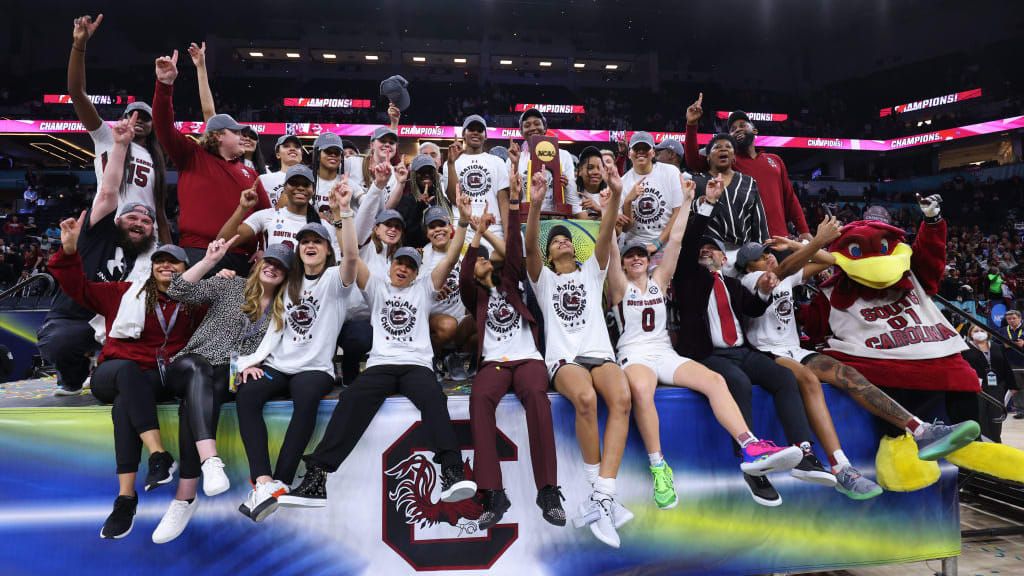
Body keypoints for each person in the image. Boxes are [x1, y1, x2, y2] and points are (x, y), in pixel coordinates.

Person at [608, 174, 803, 509]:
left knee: (714, 380)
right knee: (641, 390)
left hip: (664, 352)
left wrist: (688, 202)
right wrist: (612, 203)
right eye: (631, 256)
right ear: (624, 262)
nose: (637, 258)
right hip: (634, 354)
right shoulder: (617, 285)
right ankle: (659, 466)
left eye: (641, 254)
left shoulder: (660, 278)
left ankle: (750, 444)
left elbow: (679, 239)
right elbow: (610, 245)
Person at [280, 181, 476, 508]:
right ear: (391, 264)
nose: (403, 268)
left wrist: (465, 223)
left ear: (417, 272)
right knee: (352, 401)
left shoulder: (426, 287)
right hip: (381, 364)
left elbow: (452, 256)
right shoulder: (376, 286)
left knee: (434, 400)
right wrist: (344, 213)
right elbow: (351, 255)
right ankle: (317, 477)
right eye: (400, 262)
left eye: (411, 265)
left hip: (416, 365)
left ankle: (452, 473)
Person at [671, 177, 834, 507]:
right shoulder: (688, 277)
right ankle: (752, 467)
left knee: (785, 379)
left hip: (741, 350)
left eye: (712, 248)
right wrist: (707, 204)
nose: (706, 251)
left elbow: (752, 308)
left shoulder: (731, 284)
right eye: (702, 248)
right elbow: (689, 246)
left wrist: (763, 290)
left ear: (723, 257)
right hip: (708, 354)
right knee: (739, 384)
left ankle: (804, 452)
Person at [50, 213, 200, 539]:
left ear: (186, 270)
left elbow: (237, 307)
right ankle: (158, 454)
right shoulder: (122, 293)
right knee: (128, 375)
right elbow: (77, 287)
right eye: (160, 260)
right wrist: (71, 251)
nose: (166, 266)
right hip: (113, 372)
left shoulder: (192, 303)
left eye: (175, 262)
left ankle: (125, 499)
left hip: (155, 381)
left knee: (125, 406)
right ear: (151, 267)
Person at [152, 241, 292, 543]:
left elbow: (279, 350)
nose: (272, 267)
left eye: (280, 266)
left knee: (200, 399)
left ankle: (185, 497)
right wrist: (208, 262)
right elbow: (176, 291)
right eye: (269, 261)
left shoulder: (282, 311)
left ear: (286, 276)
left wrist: (254, 364)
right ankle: (210, 462)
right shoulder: (231, 285)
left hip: (226, 377)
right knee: (199, 370)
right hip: (188, 363)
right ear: (258, 263)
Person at [526, 156, 631, 548]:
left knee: (621, 398)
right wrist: (536, 204)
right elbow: (530, 247)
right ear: (550, 255)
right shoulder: (543, 280)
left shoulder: (593, 271)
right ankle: (597, 491)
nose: (563, 241)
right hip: (564, 357)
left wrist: (616, 197)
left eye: (567, 237)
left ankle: (602, 495)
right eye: (556, 241)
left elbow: (605, 233)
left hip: (599, 351)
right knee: (585, 398)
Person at [460, 164, 564, 528]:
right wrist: (475, 235)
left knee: (538, 398)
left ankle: (548, 490)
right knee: (478, 400)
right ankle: (492, 493)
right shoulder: (476, 296)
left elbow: (517, 250)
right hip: (494, 364)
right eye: (478, 263)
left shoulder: (512, 283)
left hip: (527, 360)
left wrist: (517, 202)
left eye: (489, 259)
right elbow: (465, 274)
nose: (483, 263)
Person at [231, 220, 351, 522]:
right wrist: (254, 360)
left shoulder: (335, 280)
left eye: (317, 242)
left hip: (314, 368)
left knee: (307, 399)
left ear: (327, 250)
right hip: (279, 363)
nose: (310, 246)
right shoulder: (290, 284)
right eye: (305, 242)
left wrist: (346, 213)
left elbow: (351, 256)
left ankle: (282, 480)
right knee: (247, 394)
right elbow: (275, 328)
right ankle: (263, 481)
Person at [38, 114, 158, 396]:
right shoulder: (98, 231)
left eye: (145, 221)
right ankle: (72, 375)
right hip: (74, 317)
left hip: (112, 324)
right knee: (59, 343)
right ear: (118, 220)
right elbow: (108, 191)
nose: (139, 222)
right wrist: (119, 146)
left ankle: (104, 369)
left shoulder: (145, 256)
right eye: (132, 217)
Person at [152, 49, 270, 274]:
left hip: (243, 259)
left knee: (236, 311)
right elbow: (163, 127)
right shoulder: (193, 156)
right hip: (199, 252)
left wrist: (264, 248)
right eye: (236, 132)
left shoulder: (250, 174)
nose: (243, 137)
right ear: (218, 136)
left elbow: (266, 216)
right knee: (196, 310)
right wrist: (164, 85)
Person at [68, 14, 171, 244]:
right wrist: (79, 45)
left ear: (153, 125)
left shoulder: (156, 158)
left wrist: (169, 251)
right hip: (106, 229)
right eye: (133, 116)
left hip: (144, 237)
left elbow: (161, 213)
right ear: (122, 120)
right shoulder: (106, 137)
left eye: (145, 118)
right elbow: (77, 93)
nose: (139, 121)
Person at [683, 94, 810, 240]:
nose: (737, 129)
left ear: (754, 130)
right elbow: (693, 161)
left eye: (742, 125)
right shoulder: (729, 162)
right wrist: (691, 124)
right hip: (747, 243)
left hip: (780, 238)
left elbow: (790, 199)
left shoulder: (775, 160)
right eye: (733, 129)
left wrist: (803, 230)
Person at [337, 162, 409, 385]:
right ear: (375, 229)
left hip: (387, 321)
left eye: (397, 226)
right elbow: (363, 220)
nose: (392, 229)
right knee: (360, 337)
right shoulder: (364, 247)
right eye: (386, 224)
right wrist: (378, 186)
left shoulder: (405, 260)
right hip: (356, 321)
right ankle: (349, 371)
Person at [186, 41, 268, 175]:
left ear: (258, 144)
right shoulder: (221, 158)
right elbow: (209, 113)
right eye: (241, 134)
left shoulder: (267, 173)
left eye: (252, 137)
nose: (246, 138)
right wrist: (201, 68)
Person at [422, 205, 482, 379]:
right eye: (432, 227)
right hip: (433, 321)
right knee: (448, 326)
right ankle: (431, 358)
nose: (438, 230)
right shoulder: (422, 257)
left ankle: (456, 358)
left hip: (460, 319)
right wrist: (431, 290)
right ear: (427, 233)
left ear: (450, 228)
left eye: (442, 224)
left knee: (485, 317)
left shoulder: (463, 249)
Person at [692, 134, 769, 265]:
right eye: (717, 147)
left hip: (744, 255)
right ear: (708, 157)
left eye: (728, 147)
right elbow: (687, 217)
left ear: (734, 157)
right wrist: (701, 202)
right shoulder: (696, 182)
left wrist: (763, 251)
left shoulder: (749, 182)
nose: (723, 149)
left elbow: (758, 221)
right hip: (708, 253)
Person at [216, 165, 329, 253]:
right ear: (284, 188)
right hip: (272, 279)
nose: (300, 188)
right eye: (294, 183)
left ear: (313, 190)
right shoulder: (267, 215)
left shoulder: (321, 224)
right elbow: (223, 243)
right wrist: (242, 208)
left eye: (306, 185)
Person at [619, 132, 684, 260]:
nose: (641, 152)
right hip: (633, 248)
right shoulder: (622, 182)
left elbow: (678, 212)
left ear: (653, 152)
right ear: (629, 154)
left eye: (646, 148)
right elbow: (625, 228)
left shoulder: (670, 172)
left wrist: (657, 243)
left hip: (666, 245)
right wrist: (627, 202)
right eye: (636, 148)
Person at [445, 115, 510, 244]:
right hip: (463, 229)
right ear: (464, 134)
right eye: (471, 129)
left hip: (493, 228)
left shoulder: (497, 162)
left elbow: (503, 202)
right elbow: (453, 198)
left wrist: (508, 235)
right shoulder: (452, 162)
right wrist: (451, 164)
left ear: (486, 135)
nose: (475, 132)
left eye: (480, 130)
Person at [510, 107, 583, 217]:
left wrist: (567, 185)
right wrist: (515, 165)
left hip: (556, 219)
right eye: (527, 125)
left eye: (537, 123)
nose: (533, 128)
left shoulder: (563, 156)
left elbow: (573, 200)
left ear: (545, 128)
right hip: (526, 219)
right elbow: (515, 197)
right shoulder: (514, 158)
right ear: (521, 132)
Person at [962, 324, 1015, 442]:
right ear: (970, 333)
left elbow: (1006, 366)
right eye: (976, 331)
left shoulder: (996, 347)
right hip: (977, 388)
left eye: (982, 330)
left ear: (988, 333)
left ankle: (996, 440)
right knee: (980, 415)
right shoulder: (964, 349)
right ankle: (983, 442)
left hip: (997, 387)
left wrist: (1012, 385)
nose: (979, 332)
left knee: (996, 415)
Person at [260, 135, 305, 206]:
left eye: (296, 147)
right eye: (286, 146)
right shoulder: (263, 180)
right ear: (278, 154)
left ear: (301, 155)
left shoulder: (313, 180)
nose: (292, 149)